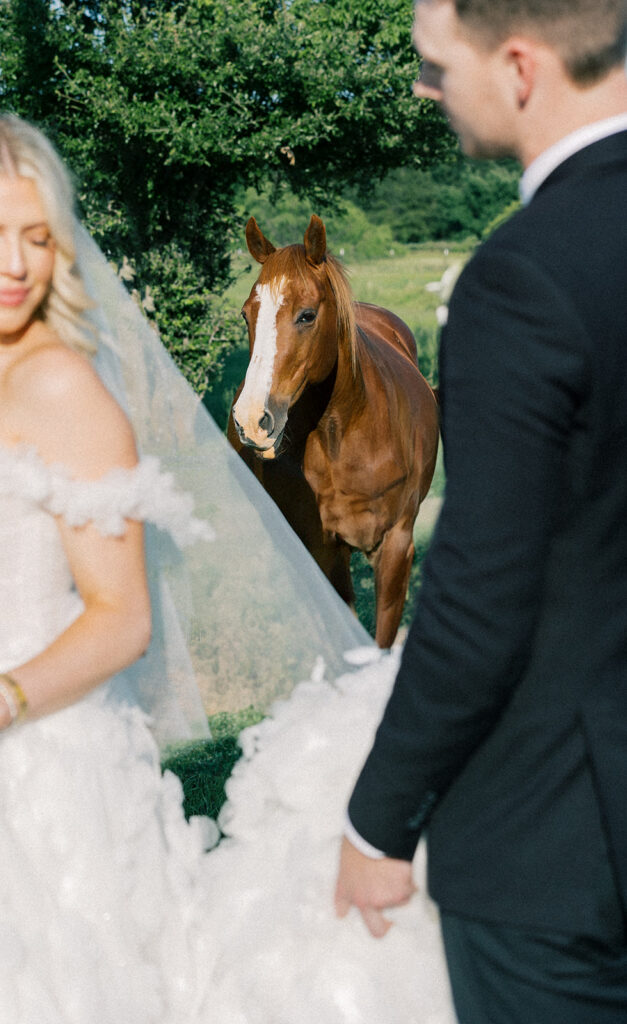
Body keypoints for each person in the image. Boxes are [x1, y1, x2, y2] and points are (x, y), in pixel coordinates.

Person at [0, 108, 457, 1023]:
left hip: (17, 746)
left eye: (35, 236)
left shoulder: (63, 392)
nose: (14, 264)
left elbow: (121, 614)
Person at [335, 1, 627, 1021]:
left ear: (516, 66)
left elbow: (478, 594)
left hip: (562, 841)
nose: (424, 90)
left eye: (431, 65)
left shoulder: (524, 275)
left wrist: (377, 822)